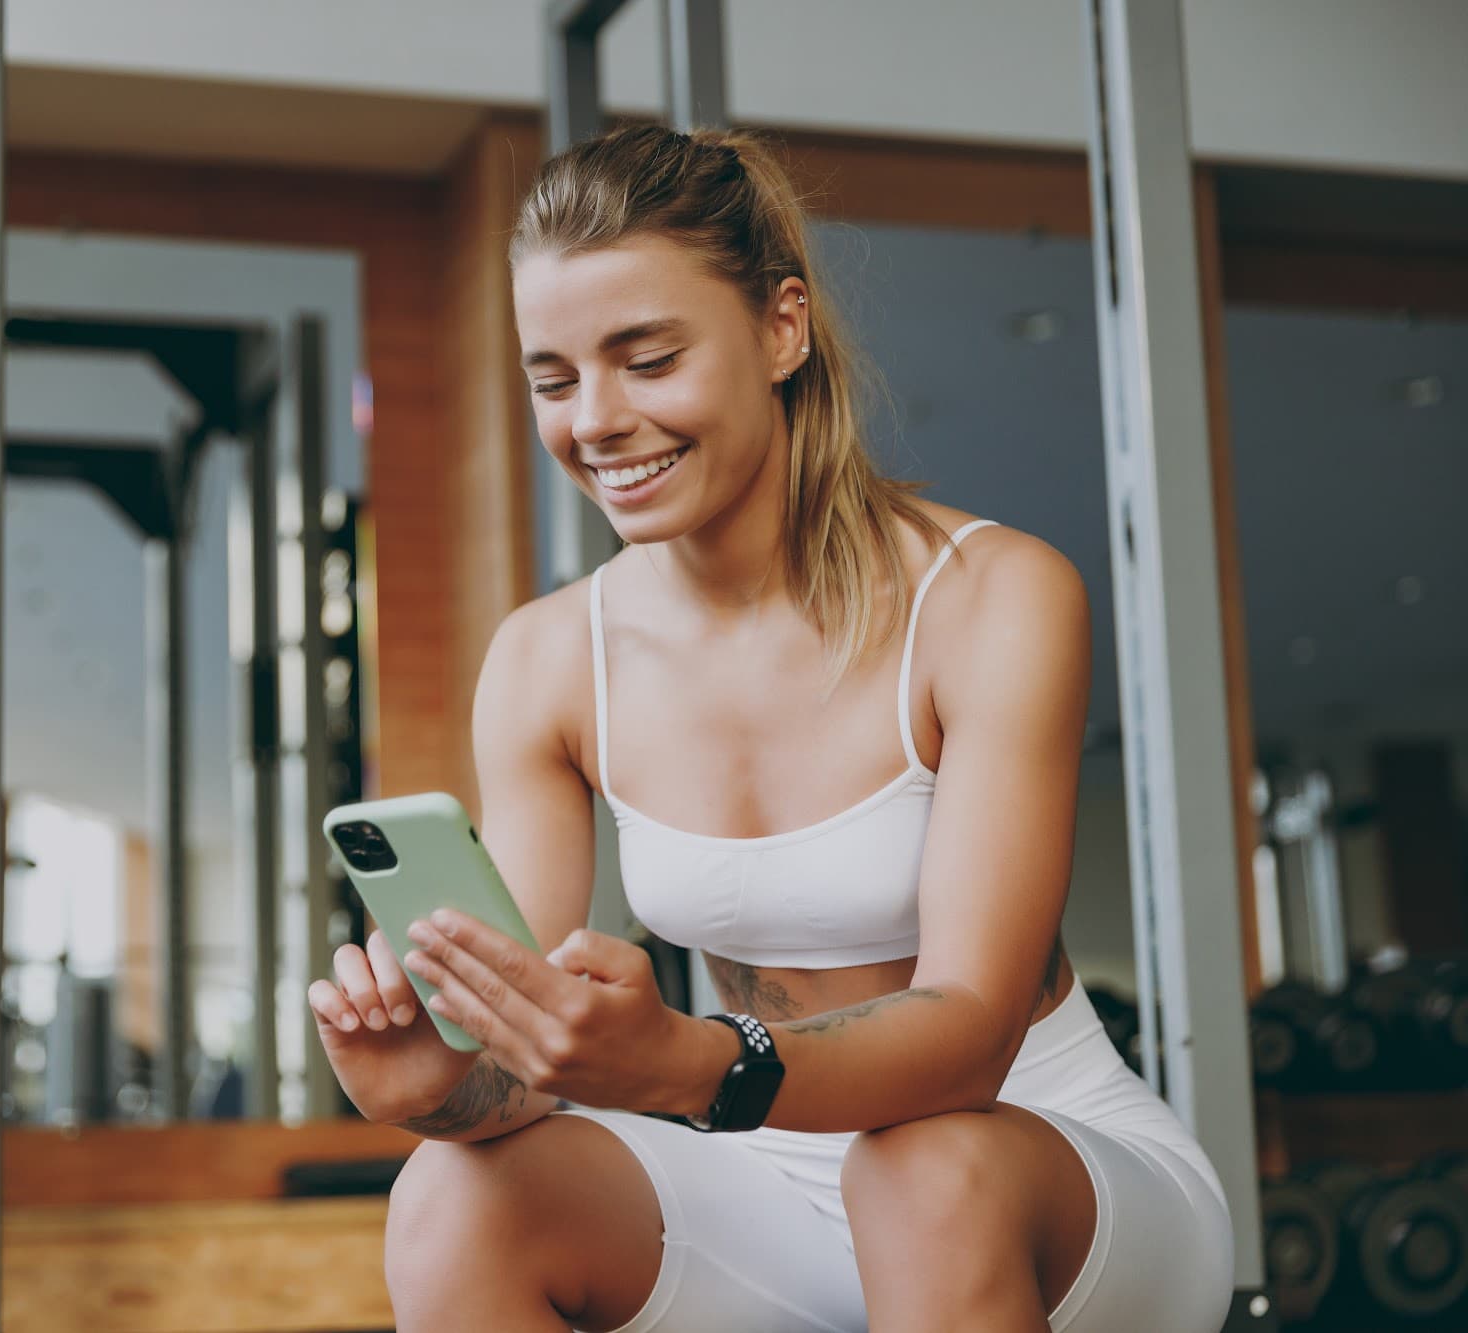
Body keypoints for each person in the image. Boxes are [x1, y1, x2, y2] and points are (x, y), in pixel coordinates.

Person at [307, 124, 1232, 1333]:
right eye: (553, 379)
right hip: (758, 1178)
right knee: (449, 1198)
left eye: (645, 358)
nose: (594, 420)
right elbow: (529, 1067)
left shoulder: (989, 597)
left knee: (919, 1172)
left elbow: (968, 1036)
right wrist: (428, 1087)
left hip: (1033, 1162)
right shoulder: (546, 659)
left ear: (780, 328)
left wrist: (685, 1061)